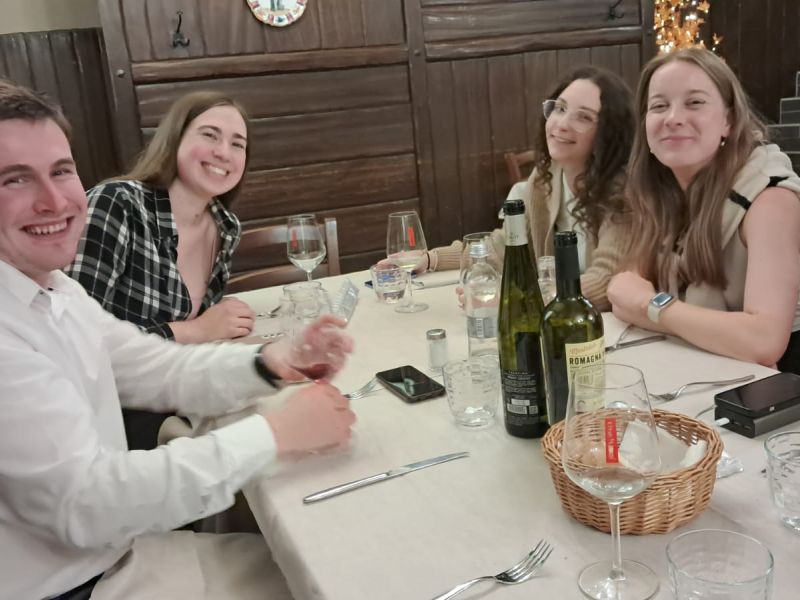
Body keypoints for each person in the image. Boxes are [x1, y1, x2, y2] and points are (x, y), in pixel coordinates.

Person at [0, 79, 355, 599]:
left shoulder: (54, 289)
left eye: (61, 170)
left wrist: (273, 361)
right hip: (75, 585)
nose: (53, 200)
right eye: (14, 179)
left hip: (119, 552)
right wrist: (277, 434)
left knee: (327, 560)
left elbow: (154, 367)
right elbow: (88, 505)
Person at [64, 91, 257, 449]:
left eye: (237, 144)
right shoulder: (117, 204)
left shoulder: (225, 226)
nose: (223, 152)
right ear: (175, 139)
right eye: (209, 135)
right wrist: (197, 329)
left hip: (176, 393)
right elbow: (75, 342)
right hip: (108, 417)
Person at [607, 48, 800, 372]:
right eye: (659, 106)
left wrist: (652, 306)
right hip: (702, 370)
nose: (673, 118)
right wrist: (648, 307)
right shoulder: (661, 195)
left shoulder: (771, 199)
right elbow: (622, 294)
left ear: (729, 121)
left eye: (694, 102)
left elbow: (764, 342)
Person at [423, 65, 635, 310]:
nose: (562, 124)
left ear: (609, 133)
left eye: (584, 117)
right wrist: (431, 259)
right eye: (560, 108)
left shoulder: (625, 192)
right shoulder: (546, 178)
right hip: (562, 320)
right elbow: (505, 246)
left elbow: (605, 281)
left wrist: (520, 302)